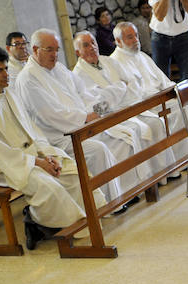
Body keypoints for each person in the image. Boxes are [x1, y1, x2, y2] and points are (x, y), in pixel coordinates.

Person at [0, 46, 103, 250]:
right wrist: (36, 163)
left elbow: (32, 130)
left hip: (32, 155)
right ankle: (39, 223)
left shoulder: (8, 92)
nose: (5, 75)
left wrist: (47, 155)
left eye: (5, 69)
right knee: (49, 187)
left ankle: (90, 218)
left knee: (72, 171)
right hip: (4, 166)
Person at [16, 28, 139, 213]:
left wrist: (98, 110)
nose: (55, 54)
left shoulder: (58, 68)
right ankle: (107, 205)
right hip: (59, 137)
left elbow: (84, 94)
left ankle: (126, 190)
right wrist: (86, 118)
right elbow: (52, 115)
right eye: (49, 49)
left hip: (81, 126)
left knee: (120, 137)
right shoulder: (28, 79)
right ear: (35, 49)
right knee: (99, 149)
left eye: (57, 49)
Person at [71, 31, 179, 183]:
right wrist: (120, 87)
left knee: (156, 123)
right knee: (135, 133)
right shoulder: (78, 76)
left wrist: (115, 92)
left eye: (93, 43)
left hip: (129, 107)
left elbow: (133, 84)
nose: (92, 47)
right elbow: (97, 105)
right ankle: (142, 183)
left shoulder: (109, 61)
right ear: (78, 52)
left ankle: (165, 173)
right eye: (86, 45)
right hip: (109, 117)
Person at [110, 22, 188, 169]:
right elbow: (132, 95)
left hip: (161, 99)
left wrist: (174, 90)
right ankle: (186, 159)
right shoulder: (115, 62)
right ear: (118, 41)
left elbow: (162, 80)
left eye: (136, 35)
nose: (136, 40)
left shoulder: (141, 56)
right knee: (182, 110)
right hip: (145, 107)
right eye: (130, 37)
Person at [149, 0, 188, 81]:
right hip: (160, 36)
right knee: (161, 79)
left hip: (184, 35)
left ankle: (187, 94)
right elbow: (159, 16)